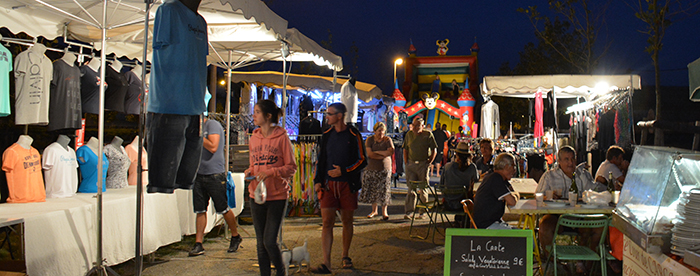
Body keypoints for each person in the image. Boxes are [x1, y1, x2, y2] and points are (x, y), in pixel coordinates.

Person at [312, 103, 367, 274]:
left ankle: (345, 255)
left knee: (346, 221)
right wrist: (318, 180)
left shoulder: (353, 134)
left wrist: (344, 171)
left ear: (340, 116)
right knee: (327, 222)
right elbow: (322, 159)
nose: (326, 116)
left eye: (329, 114)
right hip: (329, 185)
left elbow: (362, 160)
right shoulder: (327, 135)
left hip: (346, 185)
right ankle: (326, 262)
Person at [245, 100, 297, 276]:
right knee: (260, 242)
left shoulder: (282, 138)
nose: (254, 115)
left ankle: (281, 271)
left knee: (269, 240)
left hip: (277, 195)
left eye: (257, 112)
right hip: (256, 194)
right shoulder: (254, 137)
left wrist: (272, 172)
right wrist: (250, 171)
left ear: (268, 116)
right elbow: (254, 164)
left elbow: (291, 167)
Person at [535, 146, 606, 272]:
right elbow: (538, 195)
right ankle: (556, 263)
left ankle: (586, 264)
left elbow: (594, 191)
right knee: (544, 226)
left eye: (573, 159)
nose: (570, 163)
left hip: (581, 216)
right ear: (559, 161)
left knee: (600, 227)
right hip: (557, 216)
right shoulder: (549, 176)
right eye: (566, 159)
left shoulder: (582, 175)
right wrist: (548, 195)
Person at [189, 116, 242, 257]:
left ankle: (235, 235)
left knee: (222, 208)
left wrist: (198, 136)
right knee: (200, 209)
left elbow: (213, 146)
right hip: (198, 174)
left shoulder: (212, 125)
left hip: (214, 174)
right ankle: (198, 243)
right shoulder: (194, 129)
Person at [402, 117, 438, 220]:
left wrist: (429, 162)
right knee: (411, 189)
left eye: (418, 125)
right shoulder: (409, 135)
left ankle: (423, 212)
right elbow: (405, 149)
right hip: (411, 164)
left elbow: (434, 149)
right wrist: (406, 163)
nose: (416, 127)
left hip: (423, 164)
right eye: (414, 125)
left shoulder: (428, 135)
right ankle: (409, 212)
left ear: (423, 126)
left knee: (423, 188)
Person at [472, 153, 519, 229]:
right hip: (487, 225)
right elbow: (512, 201)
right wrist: (517, 195)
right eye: (513, 166)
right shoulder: (496, 179)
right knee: (527, 237)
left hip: (486, 223)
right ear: (506, 166)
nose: (514, 170)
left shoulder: (492, 175)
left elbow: (510, 191)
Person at [359, 122, 394, 221]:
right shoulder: (370, 140)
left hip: (385, 168)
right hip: (372, 168)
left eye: (383, 131)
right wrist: (383, 154)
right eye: (379, 131)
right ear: (375, 131)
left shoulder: (388, 140)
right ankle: (374, 210)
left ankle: (384, 211)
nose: (381, 133)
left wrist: (377, 152)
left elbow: (391, 152)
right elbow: (370, 154)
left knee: (384, 190)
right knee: (373, 189)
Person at [439, 142, 478, 227]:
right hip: (464, 204)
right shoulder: (472, 168)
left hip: (448, 202)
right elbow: (476, 183)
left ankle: (458, 221)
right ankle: (465, 224)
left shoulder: (447, 167)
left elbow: (441, 185)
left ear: (456, 154)